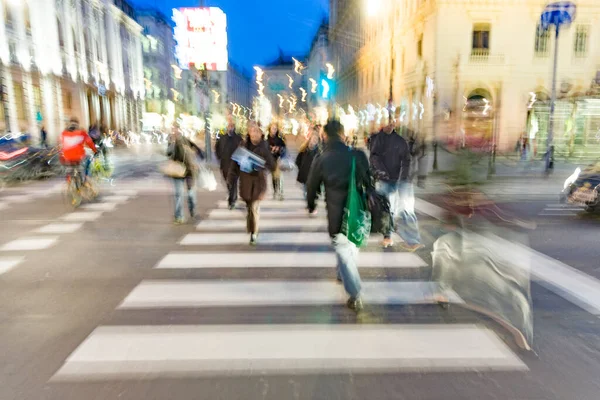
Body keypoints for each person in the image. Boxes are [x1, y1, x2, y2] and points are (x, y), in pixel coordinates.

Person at [306, 120, 372, 312]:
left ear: (325, 136)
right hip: (357, 212)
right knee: (351, 248)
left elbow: (312, 186)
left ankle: (355, 293)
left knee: (344, 252)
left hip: (336, 214)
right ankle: (343, 274)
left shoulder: (322, 158)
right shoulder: (357, 155)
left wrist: (311, 205)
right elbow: (369, 180)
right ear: (343, 135)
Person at [370, 121, 423, 251]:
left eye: (391, 123)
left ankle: (412, 240)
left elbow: (407, 159)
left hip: (401, 180)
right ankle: (387, 236)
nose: (389, 125)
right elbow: (373, 157)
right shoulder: (377, 139)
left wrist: (403, 177)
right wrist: (382, 172)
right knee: (386, 209)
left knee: (406, 210)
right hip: (386, 179)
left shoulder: (400, 140)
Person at [228, 122, 276, 245]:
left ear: (261, 133)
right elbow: (235, 163)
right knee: (249, 208)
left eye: (257, 131)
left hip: (258, 183)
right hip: (246, 182)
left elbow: (272, 165)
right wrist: (231, 177)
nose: (254, 134)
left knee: (254, 208)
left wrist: (260, 166)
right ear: (249, 132)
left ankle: (254, 233)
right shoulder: (243, 146)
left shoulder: (264, 146)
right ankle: (252, 229)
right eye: (252, 131)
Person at [167, 127, 205, 224]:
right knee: (179, 194)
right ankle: (179, 216)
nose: (174, 133)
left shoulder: (185, 140)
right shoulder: (171, 143)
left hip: (189, 172)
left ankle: (193, 212)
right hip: (178, 172)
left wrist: (199, 157)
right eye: (173, 131)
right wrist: (172, 143)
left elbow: (197, 150)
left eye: (176, 131)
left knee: (191, 194)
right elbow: (168, 154)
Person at [215, 118, 242, 209]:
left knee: (233, 182)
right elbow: (217, 148)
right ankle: (232, 196)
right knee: (228, 182)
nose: (230, 128)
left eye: (231, 126)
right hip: (225, 164)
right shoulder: (222, 138)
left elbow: (243, 149)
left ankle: (232, 201)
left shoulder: (238, 138)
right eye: (229, 126)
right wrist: (219, 157)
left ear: (234, 127)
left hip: (235, 165)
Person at [60, 117, 97, 182]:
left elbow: (61, 144)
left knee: (68, 166)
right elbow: (89, 142)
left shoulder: (64, 133)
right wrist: (95, 151)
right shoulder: (82, 132)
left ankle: (68, 180)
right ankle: (85, 178)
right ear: (78, 123)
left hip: (67, 155)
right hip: (78, 156)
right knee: (87, 162)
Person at [295, 130, 320, 198]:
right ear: (310, 139)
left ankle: (310, 198)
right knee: (306, 188)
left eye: (316, 139)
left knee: (311, 188)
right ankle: (308, 197)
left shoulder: (318, 151)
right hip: (305, 173)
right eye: (313, 139)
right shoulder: (304, 149)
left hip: (313, 174)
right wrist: (301, 167)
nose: (315, 140)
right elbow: (298, 160)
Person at [267, 123, 286, 200]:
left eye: (275, 128)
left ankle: (281, 192)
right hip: (271, 160)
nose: (274, 130)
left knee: (280, 177)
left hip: (279, 160)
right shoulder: (267, 139)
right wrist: (271, 149)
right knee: (274, 177)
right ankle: (275, 191)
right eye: (272, 128)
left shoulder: (280, 139)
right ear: (270, 129)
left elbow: (284, 148)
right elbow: (265, 149)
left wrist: (278, 148)